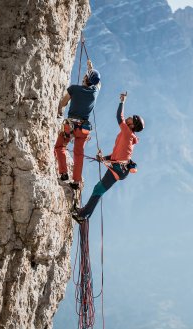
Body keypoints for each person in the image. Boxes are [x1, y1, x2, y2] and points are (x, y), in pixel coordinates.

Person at [72, 92, 145, 222]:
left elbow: (119, 117)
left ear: (132, 125)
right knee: (98, 189)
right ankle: (84, 213)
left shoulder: (128, 133)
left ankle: (83, 215)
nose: (129, 117)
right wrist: (103, 158)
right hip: (119, 168)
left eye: (131, 118)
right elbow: (115, 155)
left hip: (118, 169)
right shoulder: (126, 135)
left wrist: (122, 101)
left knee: (98, 189)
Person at [54, 59, 101, 190]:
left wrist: (58, 110)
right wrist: (91, 68)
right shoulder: (94, 93)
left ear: (85, 78)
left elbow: (63, 103)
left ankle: (63, 173)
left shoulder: (74, 89)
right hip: (83, 129)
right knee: (78, 154)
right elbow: (98, 84)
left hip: (70, 126)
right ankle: (76, 181)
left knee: (59, 147)